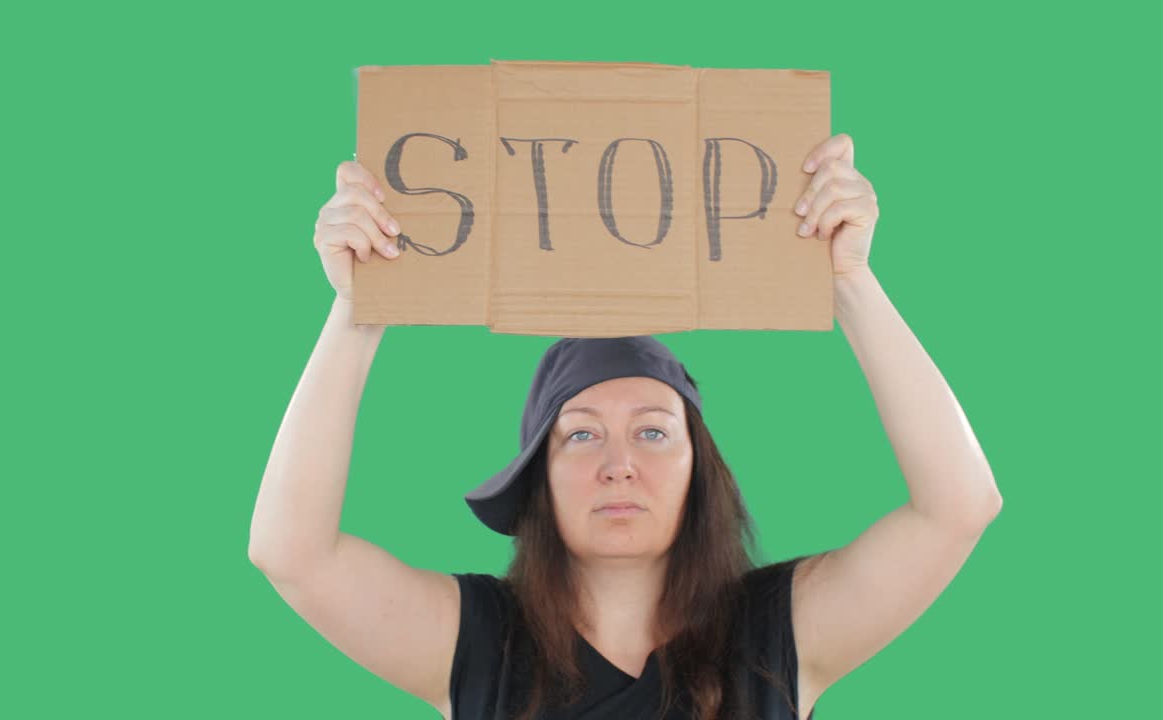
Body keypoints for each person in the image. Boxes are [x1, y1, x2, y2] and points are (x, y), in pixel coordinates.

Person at [248, 134, 1004, 720]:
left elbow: (959, 507)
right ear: (537, 478)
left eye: (651, 432)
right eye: (580, 434)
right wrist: (359, 309)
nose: (618, 464)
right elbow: (292, 553)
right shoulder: (479, 641)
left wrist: (850, 286)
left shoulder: (778, 634)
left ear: (698, 470)